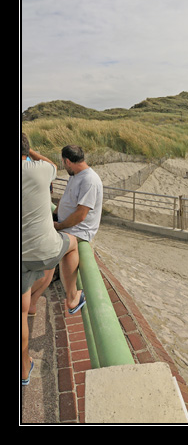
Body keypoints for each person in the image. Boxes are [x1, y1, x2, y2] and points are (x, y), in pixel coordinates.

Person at [21, 135, 85, 385]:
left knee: (21, 312)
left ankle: (24, 368)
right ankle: (72, 298)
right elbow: (53, 166)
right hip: (44, 249)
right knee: (72, 243)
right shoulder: (41, 170)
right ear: (26, 150)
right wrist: (31, 152)